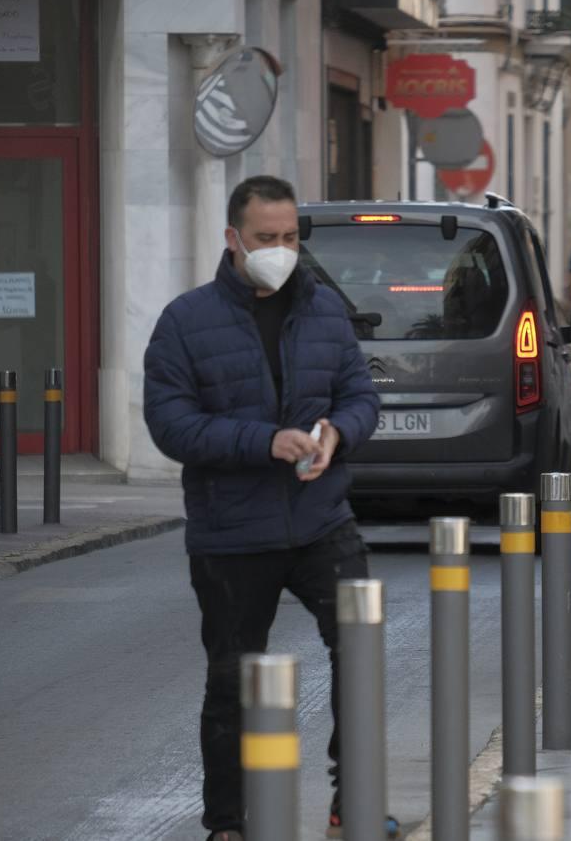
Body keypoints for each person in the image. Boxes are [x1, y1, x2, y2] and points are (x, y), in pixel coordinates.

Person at [143, 176, 391, 841]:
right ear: (232, 239)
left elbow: (360, 396)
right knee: (233, 679)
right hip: (231, 531)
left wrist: (339, 431)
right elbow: (169, 425)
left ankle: (356, 802)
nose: (280, 250)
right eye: (265, 239)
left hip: (321, 519)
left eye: (289, 237)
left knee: (360, 655)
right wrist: (264, 441)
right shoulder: (186, 321)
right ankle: (228, 823)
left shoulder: (324, 310)